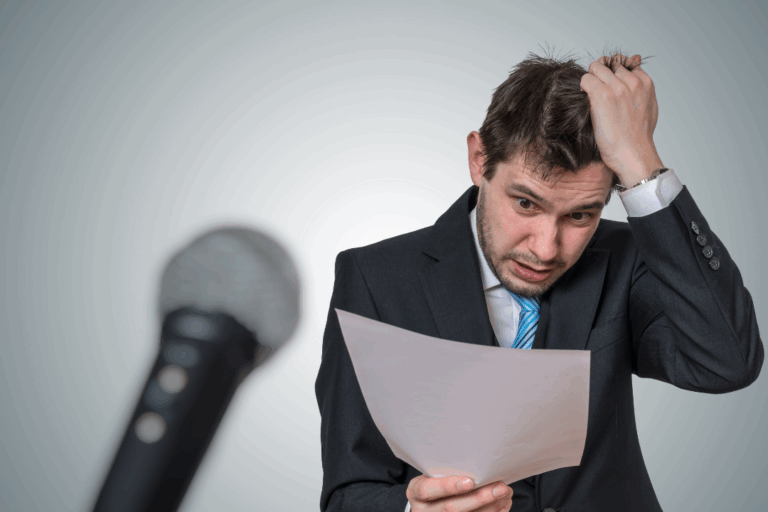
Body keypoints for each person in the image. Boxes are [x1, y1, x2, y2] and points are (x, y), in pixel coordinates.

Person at [314, 51, 764, 512]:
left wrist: (639, 161)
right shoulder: (374, 279)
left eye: (580, 215)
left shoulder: (629, 258)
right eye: (526, 204)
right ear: (479, 159)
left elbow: (726, 361)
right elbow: (348, 492)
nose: (547, 249)